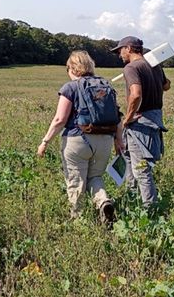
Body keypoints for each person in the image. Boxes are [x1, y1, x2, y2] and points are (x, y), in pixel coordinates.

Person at [37, 51, 122, 224]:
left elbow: (60, 119)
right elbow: (118, 117)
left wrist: (45, 141)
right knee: (95, 177)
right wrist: (118, 141)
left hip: (78, 140)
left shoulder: (70, 87)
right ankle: (103, 202)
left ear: (73, 68)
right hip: (105, 140)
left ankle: (78, 220)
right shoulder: (106, 86)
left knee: (75, 180)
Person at [111, 36, 171, 209]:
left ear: (129, 48)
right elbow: (167, 85)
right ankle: (132, 198)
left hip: (140, 121)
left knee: (141, 169)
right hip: (155, 119)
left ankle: (149, 209)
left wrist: (128, 117)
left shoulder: (131, 68)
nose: (119, 55)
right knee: (128, 159)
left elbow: (136, 94)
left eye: (120, 50)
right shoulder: (154, 65)